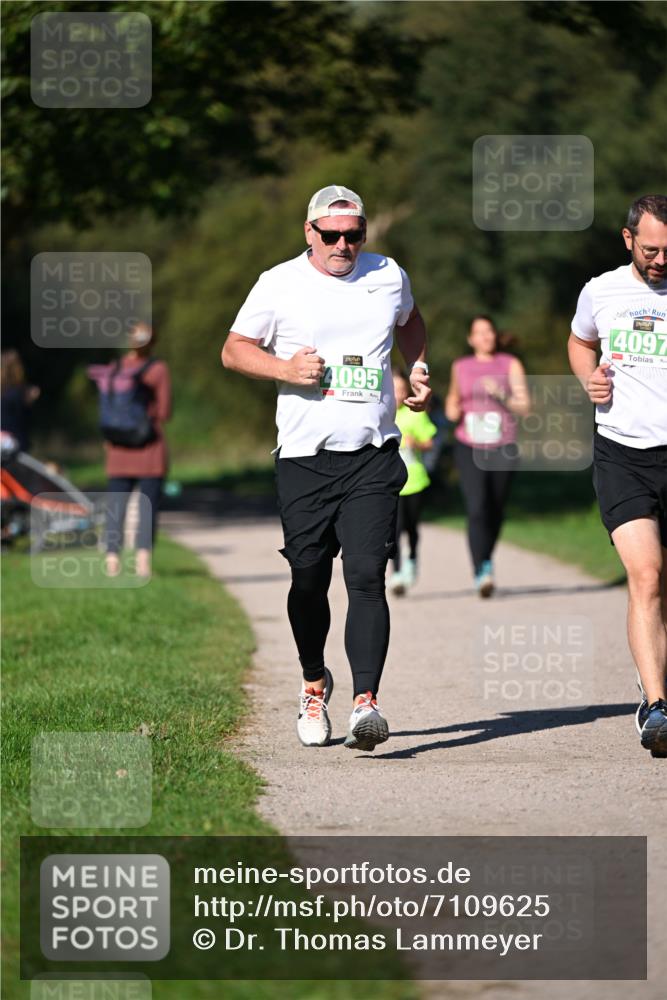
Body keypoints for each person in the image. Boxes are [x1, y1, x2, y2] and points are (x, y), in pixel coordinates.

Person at [222, 185, 430, 751]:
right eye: (331, 234)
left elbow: (410, 322)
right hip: (305, 458)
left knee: (366, 576)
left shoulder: (387, 274)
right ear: (309, 232)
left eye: (353, 234)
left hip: (372, 454)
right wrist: (285, 370)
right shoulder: (278, 283)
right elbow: (234, 349)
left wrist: (418, 367)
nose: (343, 245)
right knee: (308, 579)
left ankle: (367, 703)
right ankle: (315, 683)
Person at [568, 193, 667, 758]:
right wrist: (589, 379)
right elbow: (581, 342)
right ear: (628, 239)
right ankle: (656, 705)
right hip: (623, 452)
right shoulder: (600, 291)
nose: (659, 260)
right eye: (650, 249)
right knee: (648, 574)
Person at [445, 315, 530, 597]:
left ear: (495, 335)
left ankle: (486, 556)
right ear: (470, 339)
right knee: (477, 507)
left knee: (495, 508)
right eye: (479, 333)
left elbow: (524, 407)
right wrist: (451, 410)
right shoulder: (461, 366)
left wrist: (501, 396)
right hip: (469, 444)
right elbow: (453, 400)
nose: (485, 337)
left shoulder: (509, 364)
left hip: (502, 444)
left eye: (489, 331)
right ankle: (483, 569)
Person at [88, 322, 172, 579]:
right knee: (147, 508)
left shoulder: (114, 369)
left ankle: (112, 562)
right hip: (149, 450)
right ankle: (142, 565)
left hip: (117, 450)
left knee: (117, 507)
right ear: (152, 342)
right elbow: (165, 412)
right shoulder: (158, 369)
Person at [389, 368, 437, 596]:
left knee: (411, 527)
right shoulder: (383, 414)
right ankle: (397, 573)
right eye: (393, 389)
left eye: (401, 389)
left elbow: (430, 442)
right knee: (394, 530)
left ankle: (413, 557)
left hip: (415, 480)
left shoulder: (414, 413)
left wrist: (416, 443)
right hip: (390, 484)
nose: (397, 394)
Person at [1, 349, 40, 452]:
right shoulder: (18, 392)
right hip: (14, 441)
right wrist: (28, 402)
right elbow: (21, 418)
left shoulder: (7, 391)